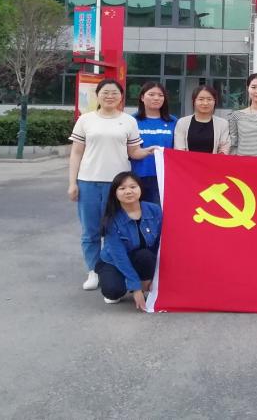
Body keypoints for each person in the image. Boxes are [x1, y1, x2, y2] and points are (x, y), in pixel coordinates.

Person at [68, 79, 158, 291]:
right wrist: (72, 183)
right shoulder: (86, 120)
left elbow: (133, 152)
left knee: (116, 229)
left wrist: (149, 152)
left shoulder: (128, 121)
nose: (110, 96)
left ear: (121, 97)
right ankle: (93, 270)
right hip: (88, 181)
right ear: (98, 95)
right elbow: (76, 152)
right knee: (90, 230)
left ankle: (115, 268)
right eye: (105, 92)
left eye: (114, 93)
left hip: (119, 185)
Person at [97, 171, 161, 311]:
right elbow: (118, 256)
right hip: (114, 261)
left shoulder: (154, 210)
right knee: (112, 292)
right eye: (122, 188)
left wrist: (155, 276)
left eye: (133, 187)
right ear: (115, 193)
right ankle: (128, 281)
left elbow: (160, 245)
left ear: (140, 188)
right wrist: (135, 288)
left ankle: (145, 282)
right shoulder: (112, 218)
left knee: (146, 255)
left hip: (141, 258)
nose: (128, 191)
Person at [131, 81, 177, 205]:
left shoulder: (173, 122)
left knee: (159, 212)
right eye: (151, 94)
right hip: (137, 175)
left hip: (164, 176)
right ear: (142, 97)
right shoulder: (132, 121)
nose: (156, 98)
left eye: (160, 95)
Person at [174, 85, 231, 154]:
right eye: (201, 99)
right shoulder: (182, 123)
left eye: (209, 99)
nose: (205, 103)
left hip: (214, 161)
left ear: (215, 101)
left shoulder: (223, 124)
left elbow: (224, 149)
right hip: (186, 161)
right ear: (194, 101)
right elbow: (179, 150)